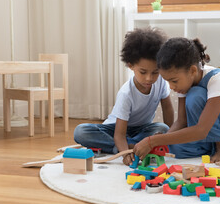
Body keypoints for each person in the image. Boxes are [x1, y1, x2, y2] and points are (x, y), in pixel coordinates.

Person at [133, 37, 220, 162]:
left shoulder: (218, 80)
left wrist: (153, 141)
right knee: (175, 149)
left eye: (174, 81)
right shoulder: (184, 84)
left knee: (196, 95)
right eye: (168, 81)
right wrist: (162, 143)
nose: (171, 87)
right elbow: (182, 121)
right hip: (208, 128)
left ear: (192, 70)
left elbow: (201, 130)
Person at [74, 27, 174, 166]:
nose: (149, 78)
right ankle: (129, 147)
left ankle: (132, 145)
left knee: (162, 128)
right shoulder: (126, 93)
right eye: (143, 72)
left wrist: (169, 138)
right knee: (80, 132)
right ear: (130, 65)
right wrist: (125, 153)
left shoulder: (161, 82)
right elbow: (119, 134)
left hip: (142, 129)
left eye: (155, 72)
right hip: (115, 129)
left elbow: (168, 110)